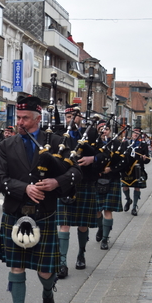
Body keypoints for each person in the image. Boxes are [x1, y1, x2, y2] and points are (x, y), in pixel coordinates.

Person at [0, 95, 82, 303]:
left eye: (25, 118)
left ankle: (47, 293)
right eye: (17, 117)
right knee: (16, 267)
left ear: (37, 118)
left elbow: (76, 172)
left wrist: (57, 182)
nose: (20, 122)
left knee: (44, 271)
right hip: (15, 213)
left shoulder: (58, 142)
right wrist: (24, 189)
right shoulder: (5, 145)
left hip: (44, 213)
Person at [55, 104, 102, 279]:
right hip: (65, 182)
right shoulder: (60, 135)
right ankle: (62, 262)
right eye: (68, 116)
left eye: (74, 116)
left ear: (80, 117)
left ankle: (81, 254)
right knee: (64, 224)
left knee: (82, 224)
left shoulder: (91, 133)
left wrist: (93, 158)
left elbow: (104, 155)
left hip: (85, 181)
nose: (71, 119)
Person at [94, 121, 126, 251]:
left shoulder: (118, 144)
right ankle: (101, 228)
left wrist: (111, 169)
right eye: (101, 129)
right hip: (97, 179)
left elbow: (125, 162)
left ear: (110, 131)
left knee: (107, 210)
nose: (104, 131)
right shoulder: (93, 144)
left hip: (111, 179)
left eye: (106, 129)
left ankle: (105, 239)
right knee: (96, 210)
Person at [121, 128, 151, 216]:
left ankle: (134, 207)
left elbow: (147, 160)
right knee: (125, 187)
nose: (136, 134)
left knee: (137, 188)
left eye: (137, 133)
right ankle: (128, 199)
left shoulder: (143, 145)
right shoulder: (126, 143)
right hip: (127, 169)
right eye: (134, 133)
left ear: (140, 135)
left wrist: (144, 158)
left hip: (138, 169)